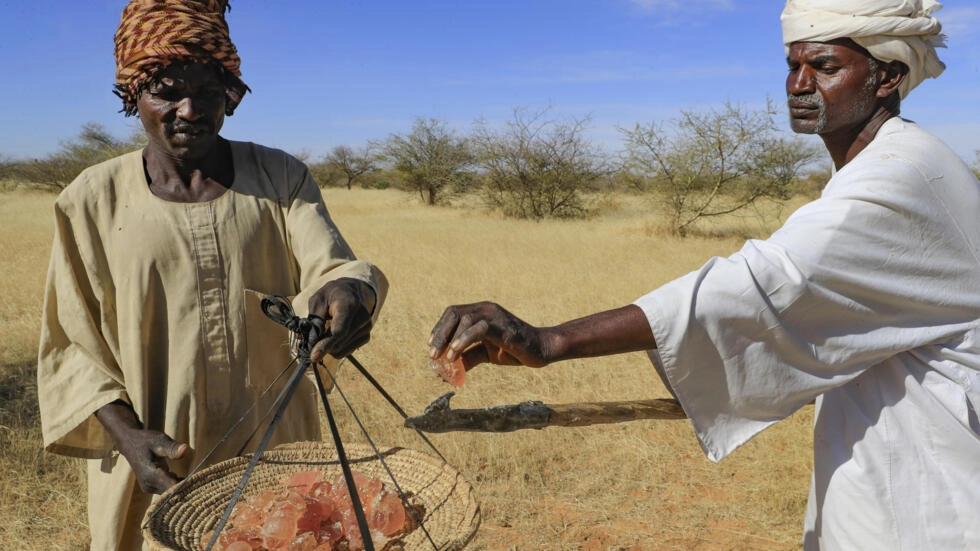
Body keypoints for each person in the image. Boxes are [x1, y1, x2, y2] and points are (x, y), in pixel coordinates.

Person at [429, 1, 979, 549]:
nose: (799, 84)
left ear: (889, 77)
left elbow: (764, 283)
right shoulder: (890, 163)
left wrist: (550, 341)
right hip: (886, 462)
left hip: (926, 492)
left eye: (826, 67)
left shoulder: (900, 177)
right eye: (793, 66)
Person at [36, 1, 388, 549]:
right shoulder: (90, 200)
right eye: (166, 92)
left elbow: (333, 266)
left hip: (276, 451)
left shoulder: (280, 177)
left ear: (230, 92)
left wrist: (350, 288)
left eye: (206, 91)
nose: (189, 109)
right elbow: (72, 344)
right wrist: (127, 437)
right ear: (134, 96)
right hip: (156, 462)